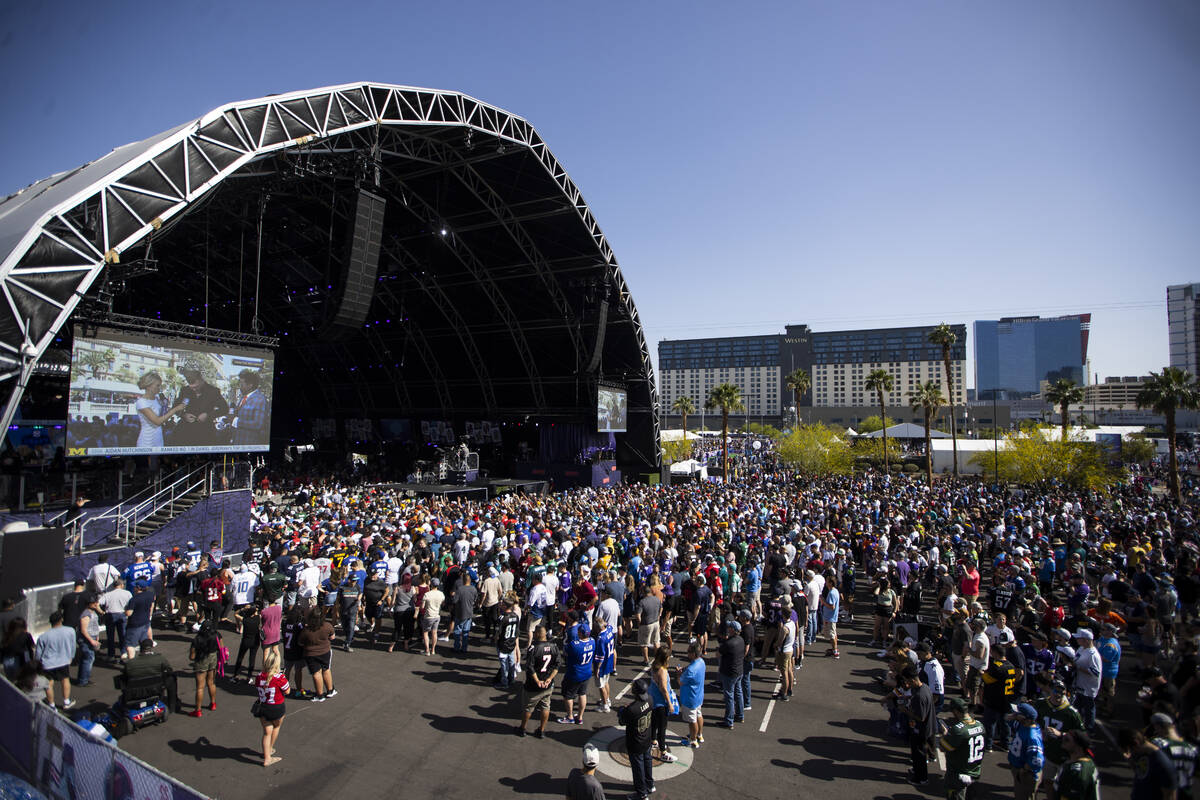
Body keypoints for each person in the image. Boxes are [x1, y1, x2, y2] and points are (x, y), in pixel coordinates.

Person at [516, 626, 558, 738]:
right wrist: (549, 679)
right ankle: (541, 730)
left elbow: (530, 667)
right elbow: (557, 665)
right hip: (548, 684)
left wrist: (537, 680)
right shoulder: (554, 647)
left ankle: (523, 728)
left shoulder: (533, 648)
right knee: (545, 706)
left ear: (538, 634)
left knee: (528, 707)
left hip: (534, 685)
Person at [940, 697, 985, 800]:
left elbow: (945, 747)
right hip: (975, 771)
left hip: (958, 773)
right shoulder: (980, 725)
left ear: (956, 711)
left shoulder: (958, 730)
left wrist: (945, 734)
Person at [618, 677, 656, 800]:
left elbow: (622, 721)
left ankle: (641, 793)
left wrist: (622, 711)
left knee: (638, 767)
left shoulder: (632, 709)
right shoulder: (650, 699)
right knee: (647, 761)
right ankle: (649, 784)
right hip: (646, 737)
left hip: (636, 741)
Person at [897, 667, 934, 786]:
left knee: (919, 754)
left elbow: (920, 717)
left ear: (912, 680)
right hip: (923, 727)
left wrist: (905, 711)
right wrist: (907, 698)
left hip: (921, 729)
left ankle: (921, 777)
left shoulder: (919, 696)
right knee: (916, 752)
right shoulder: (924, 688)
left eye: (907, 681)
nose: (906, 683)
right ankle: (916, 769)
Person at [173, 366, 226, 447]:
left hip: (205, 434)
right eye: (192, 388)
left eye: (196, 387)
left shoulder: (213, 391)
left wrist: (208, 415)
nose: (194, 390)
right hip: (184, 434)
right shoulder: (185, 390)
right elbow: (175, 408)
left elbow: (225, 409)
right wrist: (184, 415)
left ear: (201, 380)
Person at [1148, 712, 1197, 800]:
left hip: (1164, 793)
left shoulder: (1159, 744)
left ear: (1159, 727)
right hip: (1186, 794)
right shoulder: (1191, 748)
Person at [121, 638, 178, 712]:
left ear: (141, 648)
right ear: (151, 648)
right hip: (155, 688)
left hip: (136, 692)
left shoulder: (130, 663)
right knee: (171, 678)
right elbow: (169, 670)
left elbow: (124, 677)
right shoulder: (160, 659)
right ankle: (172, 706)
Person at [1119, 728, 1177, 800]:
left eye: (1129, 750)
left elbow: (1170, 796)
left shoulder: (1161, 763)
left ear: (1136, 743)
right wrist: (1130, 761)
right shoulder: (1143, 755)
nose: (1130, 754)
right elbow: (1141, 774)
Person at [254, 648, 289, 768]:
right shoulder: (279, 678)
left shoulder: (259, 676)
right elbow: (287, 691)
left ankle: (267, 755)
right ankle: (269, 751)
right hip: (276, 707)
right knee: (276, 727)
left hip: (263, 706)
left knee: (266, 732)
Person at [35, 610, 75, 709]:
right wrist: (71, 657)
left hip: (48, 663)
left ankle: (51, 705)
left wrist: (38, 664)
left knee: (49, 684)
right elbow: (73, 646)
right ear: (61, 620)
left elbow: (38, 654)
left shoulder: (43, 637)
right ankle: (66, 701)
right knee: (65, 680)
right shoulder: (70, 631)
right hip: (63, 661)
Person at [134, 372, 184, 448]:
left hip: (158, 439)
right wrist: (174, 409)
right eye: (157, 385)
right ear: (148, 386)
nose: (159, 388)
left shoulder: (157, 399)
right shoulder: (141, 402)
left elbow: (163, 417)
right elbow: (157, 421)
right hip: (146, 442)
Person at [647, 644, 678, 763]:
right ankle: (663, 752)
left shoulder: (654, 665)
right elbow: (664, 688)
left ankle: (653, 740)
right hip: (660, 702)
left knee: (654, 723)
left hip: (653, 699)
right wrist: (669, 703)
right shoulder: (662, 671)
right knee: (662, 727)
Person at [298, 608, 337, 702]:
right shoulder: (327, 626)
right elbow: (332, 637)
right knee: (326, 669)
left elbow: (300, 643)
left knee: (316, 673)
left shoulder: (306, 630)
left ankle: (319, 695)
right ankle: (330, 690)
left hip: (311, 654)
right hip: (325, 651)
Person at [1008, 703, 1045, 800]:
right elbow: (1008, 720)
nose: (1015, 714)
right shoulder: (1023, 725)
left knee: (1024, 796)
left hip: (1026, 774)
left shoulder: (1032, 737)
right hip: (1017, 768)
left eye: (1017, 713)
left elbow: (1036, 761)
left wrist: (1023, 770)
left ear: (1026, 718)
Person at [559, 623, 594, 725]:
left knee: (568, 696)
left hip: (574, 674)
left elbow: (566, 650)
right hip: (586, 672)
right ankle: (579, 717)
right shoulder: (593, 641)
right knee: (582, 694)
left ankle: (570, 716)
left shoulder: (575, 645)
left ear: (580, 633)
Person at [1050, 729, 1100, 800]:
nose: (1063, 741)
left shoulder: (1078, 771)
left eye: (1067, 739)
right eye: (1063, 738)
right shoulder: (1075, 762)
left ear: (1079, 746)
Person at [187, 619, 221, 717]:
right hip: (213, 659)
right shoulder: (215, 636)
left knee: (200, 687)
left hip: (201, 661)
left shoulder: (197, 639)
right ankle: (213, 703)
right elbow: (220, 648)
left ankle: (198, 710)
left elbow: (192, 657)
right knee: (211, 683)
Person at [716, 618, 745, 729]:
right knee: (738, 693)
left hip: (729, 672)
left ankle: (729, 721)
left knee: (729, 696)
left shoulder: (729, 643)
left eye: (729, 627)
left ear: (733, 629)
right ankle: (740, 715)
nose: (728, 629)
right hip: (739, 670)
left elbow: (718, 654)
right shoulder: (741, 640)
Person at [228, 369, 268, 447]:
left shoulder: (260, 399)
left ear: (250, 385)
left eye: (242, 384)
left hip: (248, 444)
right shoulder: (243, 398)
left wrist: (235, 421)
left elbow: (258, 424)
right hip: (237, 442)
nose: (240, 387)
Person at [678, 638, 706, 748]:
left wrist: (678, 674)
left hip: (690, 698)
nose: (687, 653)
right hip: (698, 695)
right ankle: (699, 734)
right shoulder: (701, 662)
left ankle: (693, 740)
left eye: (689, 651)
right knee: (699, 715)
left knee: (692, 720)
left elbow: (680, 682)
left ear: (694, 653)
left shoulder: (690, 670)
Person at [1071, 629, 1101, 730]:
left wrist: (1079, 668)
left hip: (1088, 687)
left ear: (1086, 640)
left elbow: (1095, 672)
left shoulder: (1093, 655)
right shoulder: (1081, 648)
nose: (1077, 640)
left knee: (1088, 709)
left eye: (1079, 639)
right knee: (1078, 707)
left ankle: (1089, 728)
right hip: (1079, 683)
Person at [230, 603, 262, 681]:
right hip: (255, 641)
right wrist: (256, 609)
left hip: (246, 641)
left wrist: (243, 609)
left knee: (240, 657)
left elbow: (235, 614)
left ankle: (235, 675)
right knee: (252, 659)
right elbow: (260, 613)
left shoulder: (245, 620)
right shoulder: (257, 618)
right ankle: (249, 677)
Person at [494, 599, 521, 691]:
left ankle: (504, 682)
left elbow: (498, 632)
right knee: (511, 661)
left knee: (504, 664)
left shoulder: (502, 617)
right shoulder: (515, 616)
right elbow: (517, 631)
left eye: (502, 604)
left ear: (505, 606)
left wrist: (495, 640)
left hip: (503, 644)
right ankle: (512, 679)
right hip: (512, 642)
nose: (501, 605)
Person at [593, 611, 616, 712]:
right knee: (606, 682)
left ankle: (605, 705)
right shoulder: (609, 630)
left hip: (603, 664)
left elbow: (600, 656)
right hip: (609, 661)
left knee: (601, 685)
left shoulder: (600, 638)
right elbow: (609, 625)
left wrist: (597, 668)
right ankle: (607, 700)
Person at [76, 594, 101, 687]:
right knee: (89, 659)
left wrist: (97, 636)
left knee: (87, 659)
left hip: (92, 638)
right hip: (87, 640)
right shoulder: (86, 614)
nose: (96, 604)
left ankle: (83, 679)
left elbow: (94, 625)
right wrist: (92, 640)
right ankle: (83, 680)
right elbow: (83, 630)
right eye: (93, 603)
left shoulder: (92, 612)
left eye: (96, 602)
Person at [451, 572, 478, 653]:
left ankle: (456, 647)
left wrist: (453, 596)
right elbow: (475, 599)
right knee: (466, 631)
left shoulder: (460, 589)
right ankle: (464, 648)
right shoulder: (473, 589)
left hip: (460, 612)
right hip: (469, 612)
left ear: (463, 580)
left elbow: (455, 601)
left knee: (457, 630)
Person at [420, 577, 445, 656]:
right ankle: (433, 649)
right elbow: (443, 604)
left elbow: (422, 607)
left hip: (428, 616)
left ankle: (427, 650)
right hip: (437, 615)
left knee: (425, 632)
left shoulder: (427, 594)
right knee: (434, 633)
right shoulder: (441, 594)